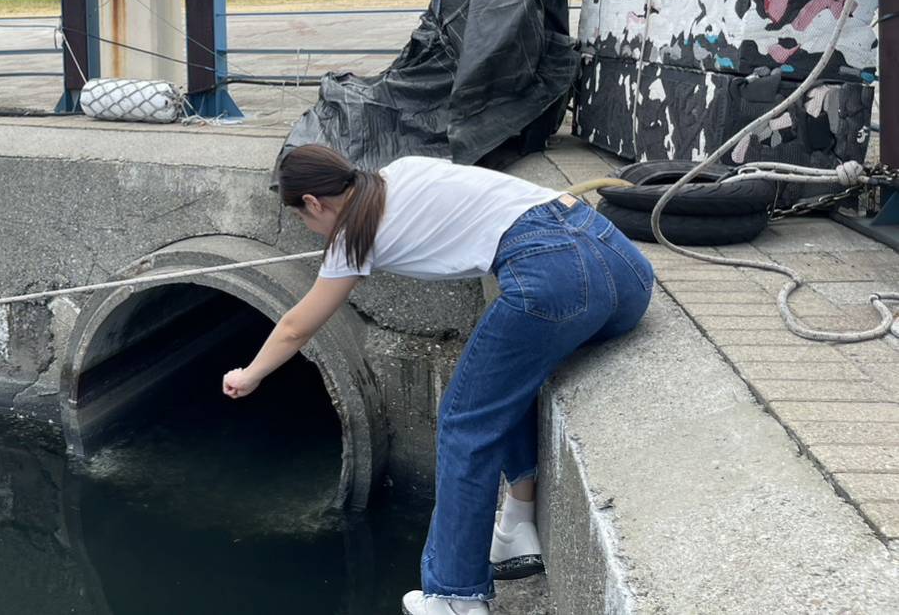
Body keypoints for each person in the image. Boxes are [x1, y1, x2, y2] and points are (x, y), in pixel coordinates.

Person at [222, 144, 654, 615]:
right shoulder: (404, 170)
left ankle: (455, 596)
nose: (312, 229)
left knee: (463, 420)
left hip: (551, 280)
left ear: (312, 203)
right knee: (496, 381)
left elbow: (295, 327)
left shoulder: (351, 242)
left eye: (305, 219)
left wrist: (249, 375)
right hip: (623, 267)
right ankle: (515, 528)